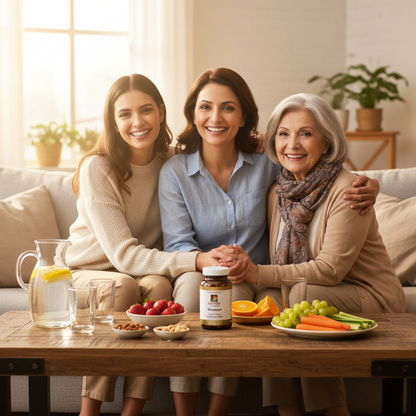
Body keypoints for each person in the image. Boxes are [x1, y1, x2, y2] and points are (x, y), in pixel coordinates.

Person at [158, 68, 381, 416]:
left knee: (293, 298)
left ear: (244, 115)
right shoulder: (280, 182)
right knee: (259, 299)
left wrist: (373, 184)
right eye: (205, 107)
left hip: (344, 285)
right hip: (224, 267)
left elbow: (332, 263)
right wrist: (212, 262)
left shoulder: (316, 179)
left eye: (228, 108)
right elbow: (178, 242)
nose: (216, 117)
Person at [223, 92, 407, 416]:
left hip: (369, 293)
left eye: (305, 133)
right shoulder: (278, 192)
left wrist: (256, 272)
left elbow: (330, 270)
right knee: (269, 299)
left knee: (299, 300)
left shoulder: (350, 191)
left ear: (326, 142)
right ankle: (288, 411)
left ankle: (334, 411)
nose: (292, 143)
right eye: (284, 133)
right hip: (315, 291)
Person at [65, 74, 239, 416]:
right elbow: (123, 256)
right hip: (90, 271)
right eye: (125, 114)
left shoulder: (172, 163)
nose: (137, 122)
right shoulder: (97, 168)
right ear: (113, 123)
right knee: (123, 285)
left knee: (158, 286)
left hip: (141, 272)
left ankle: (133, 411)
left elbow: (217, 144)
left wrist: (254, 141)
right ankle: (90, 410)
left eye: (146, 110)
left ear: (161, 112)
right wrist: (198, 261)